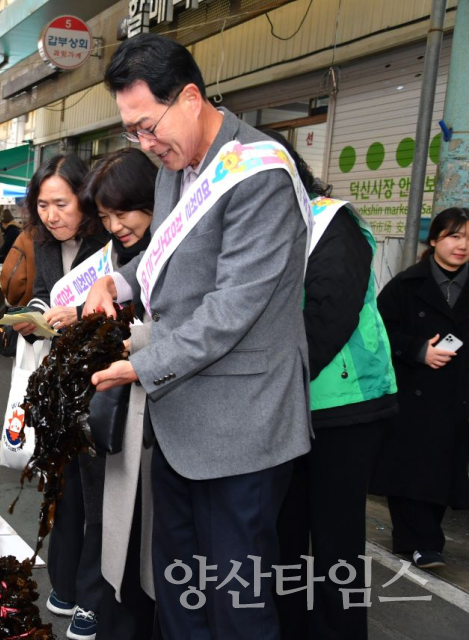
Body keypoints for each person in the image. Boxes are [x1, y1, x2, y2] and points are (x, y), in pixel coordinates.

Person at [82, 33, 311, 638]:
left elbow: (232, 306)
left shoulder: (257, 171)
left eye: (148, 126)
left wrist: (143, 364)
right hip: (181, 416)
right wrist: (116, 284)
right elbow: (165, 256)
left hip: (243, 427)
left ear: (189, 96)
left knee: (235, 601)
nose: (145, 143)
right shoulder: (174, 165)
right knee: (178, 586)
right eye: (131, 132)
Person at [269, 134, 398, 640]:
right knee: (283, 536)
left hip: (344, 409)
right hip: (288, 405)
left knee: (336, 541)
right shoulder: (269, 227)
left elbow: (329, 316)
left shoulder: (331, 219)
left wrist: (271, 384)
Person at [13, 154, 111, 640]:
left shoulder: (110, 242)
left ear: (85, 201)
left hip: (105, 385)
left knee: (100, 495)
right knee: (63, 486)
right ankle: (67, 581)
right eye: (42, 205)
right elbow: (45, 292)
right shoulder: (42, 241)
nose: (50, 215)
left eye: (60, 203)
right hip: (59, 385)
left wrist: (75, 314)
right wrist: (32, 316)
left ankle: (95, 596)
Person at [77, 148, 157, 640]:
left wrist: (135, 342)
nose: (114, 227)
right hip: (122, 419)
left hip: (159, 420)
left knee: (148, 551)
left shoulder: (179, 249)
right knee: (120, 542)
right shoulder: (125, 260)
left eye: (121, 212)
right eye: (105, 217)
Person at [371, 207, 469, 570]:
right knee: (411, 468)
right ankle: (424, 542)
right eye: (454, 236)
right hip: (414, 390)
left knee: (442, 469)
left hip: (457, 394)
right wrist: (417, 350)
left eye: (468, 238)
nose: (462, 246)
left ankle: (415, 539)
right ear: (435, 240)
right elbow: (379, 333)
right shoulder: (407, 284)